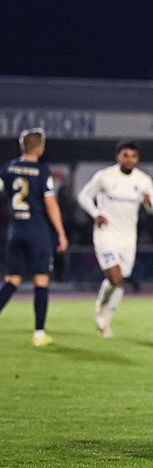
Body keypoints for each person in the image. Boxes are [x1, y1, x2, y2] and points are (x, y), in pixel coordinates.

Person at [77, 141, 153, 339]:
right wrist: (96, 213)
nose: (129, 160)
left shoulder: (143, 180)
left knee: (119, 281)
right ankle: (101, 309)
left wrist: (149, 203)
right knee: (115, 278)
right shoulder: (105, 177)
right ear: (118, 157)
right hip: (106, 234)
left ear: (137, 159)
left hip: (129, 238)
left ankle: (105, 320)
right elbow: (84, 196)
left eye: (133, 156)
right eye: (125, 156)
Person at [0, 128, 69, 346]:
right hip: (36, 231)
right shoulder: (41, 171)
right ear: (40, 147)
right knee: (41, 279)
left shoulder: (7, 168)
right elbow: (50, 204)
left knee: (13, 280)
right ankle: (39, 334)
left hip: (15, 231)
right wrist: (61, 232)